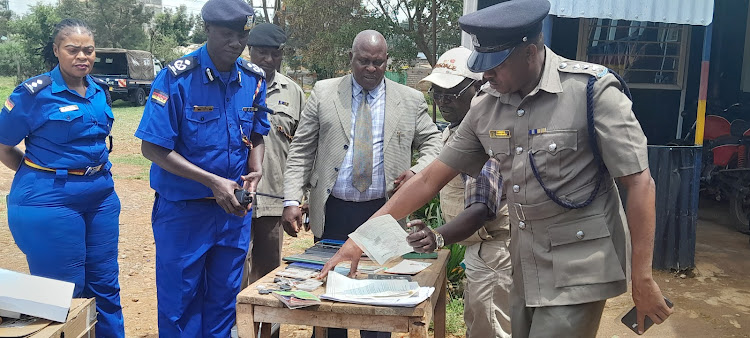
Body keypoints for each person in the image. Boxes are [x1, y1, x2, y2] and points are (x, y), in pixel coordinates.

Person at [320, 0, 674, 337]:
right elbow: (429, 177)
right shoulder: (486, 106)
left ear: (529, 52)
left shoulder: (591, 91)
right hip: (522, 263)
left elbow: (640, 182)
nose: (486, 74)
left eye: (496, 63)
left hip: (580, 264)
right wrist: (359, 240)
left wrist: (641, 278)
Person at [281, 30, 442, 338]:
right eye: (364, 61)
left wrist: (417, 170)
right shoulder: (324, 92)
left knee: (376, 298)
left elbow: (434, 142)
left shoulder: (408, 100)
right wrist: (291, 200)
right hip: (333, 211)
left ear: (387, 62)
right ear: (351, 59)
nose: (371, 69)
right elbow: (301, 150)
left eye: (378, 62)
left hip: (385, 213)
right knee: (328, 299)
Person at [134, 0, 269, 336]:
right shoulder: (177, 78)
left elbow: (257, 132)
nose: (236, 44)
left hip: (232, 214)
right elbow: (152, 147)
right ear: (207, 30)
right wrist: (211, 181)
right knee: (180, 305)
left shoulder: (252, 79)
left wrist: (256, 168)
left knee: (224, 301)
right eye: (227, 34)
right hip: (184, 213)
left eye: (241, 36)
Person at [0, 19, 124, 337]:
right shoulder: (34, 94)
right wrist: (38, 173)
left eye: (88, 50)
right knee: (62, 294)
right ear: (57, 51)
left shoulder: (98, 90)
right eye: (73, 50)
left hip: (100, 197)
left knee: (105, 285)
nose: (82, 56)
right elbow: (3, 144)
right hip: (49, 200)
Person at [410, 46, 512, 338]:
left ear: (478, 88)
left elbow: (481, 209)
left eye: (451, 93)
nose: (442, 101)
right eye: (437, 94)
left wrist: (437, 236)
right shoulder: (457, 129)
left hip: (494, 252)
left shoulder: (484, 136)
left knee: (490, 330)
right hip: (479, 249)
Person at [242, 23, 305, 289]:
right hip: (234, 200)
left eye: (275, 53)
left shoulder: (293, 92)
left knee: (267, 277)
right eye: (261, 53)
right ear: (249, 51)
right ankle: (234, 330)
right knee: (232, 274)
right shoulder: (234, 85)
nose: (268, 59)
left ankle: (267, 331)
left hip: (273, 200)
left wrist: (300, 198)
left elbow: (304, 148)